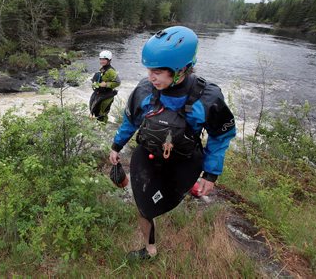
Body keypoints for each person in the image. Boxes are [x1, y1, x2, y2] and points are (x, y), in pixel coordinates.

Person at [108, 26, 236, 260]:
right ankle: (150, 250)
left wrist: (211, 174)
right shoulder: (145, 91)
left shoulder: (207, 98)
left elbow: (220, 136)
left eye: (158, 72)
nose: (151, 77)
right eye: (149, 70)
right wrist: (116, 146)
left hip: (184, 161)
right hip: (148, 154)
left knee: (164, 200)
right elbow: (130, 121)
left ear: (181, 70)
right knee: (144, 206)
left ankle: (183, 192)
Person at [89, 50, 121, 123]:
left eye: (104, 59)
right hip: (100, 93)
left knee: (102, 114)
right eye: (101, 59)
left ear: (109, 60)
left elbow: (118, 82)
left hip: (107, 95)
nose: (102, 61)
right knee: (95, 109)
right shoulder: (103, 68)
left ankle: (102, 127)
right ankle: (97, 124)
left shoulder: (111, 71)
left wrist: (107, 84)